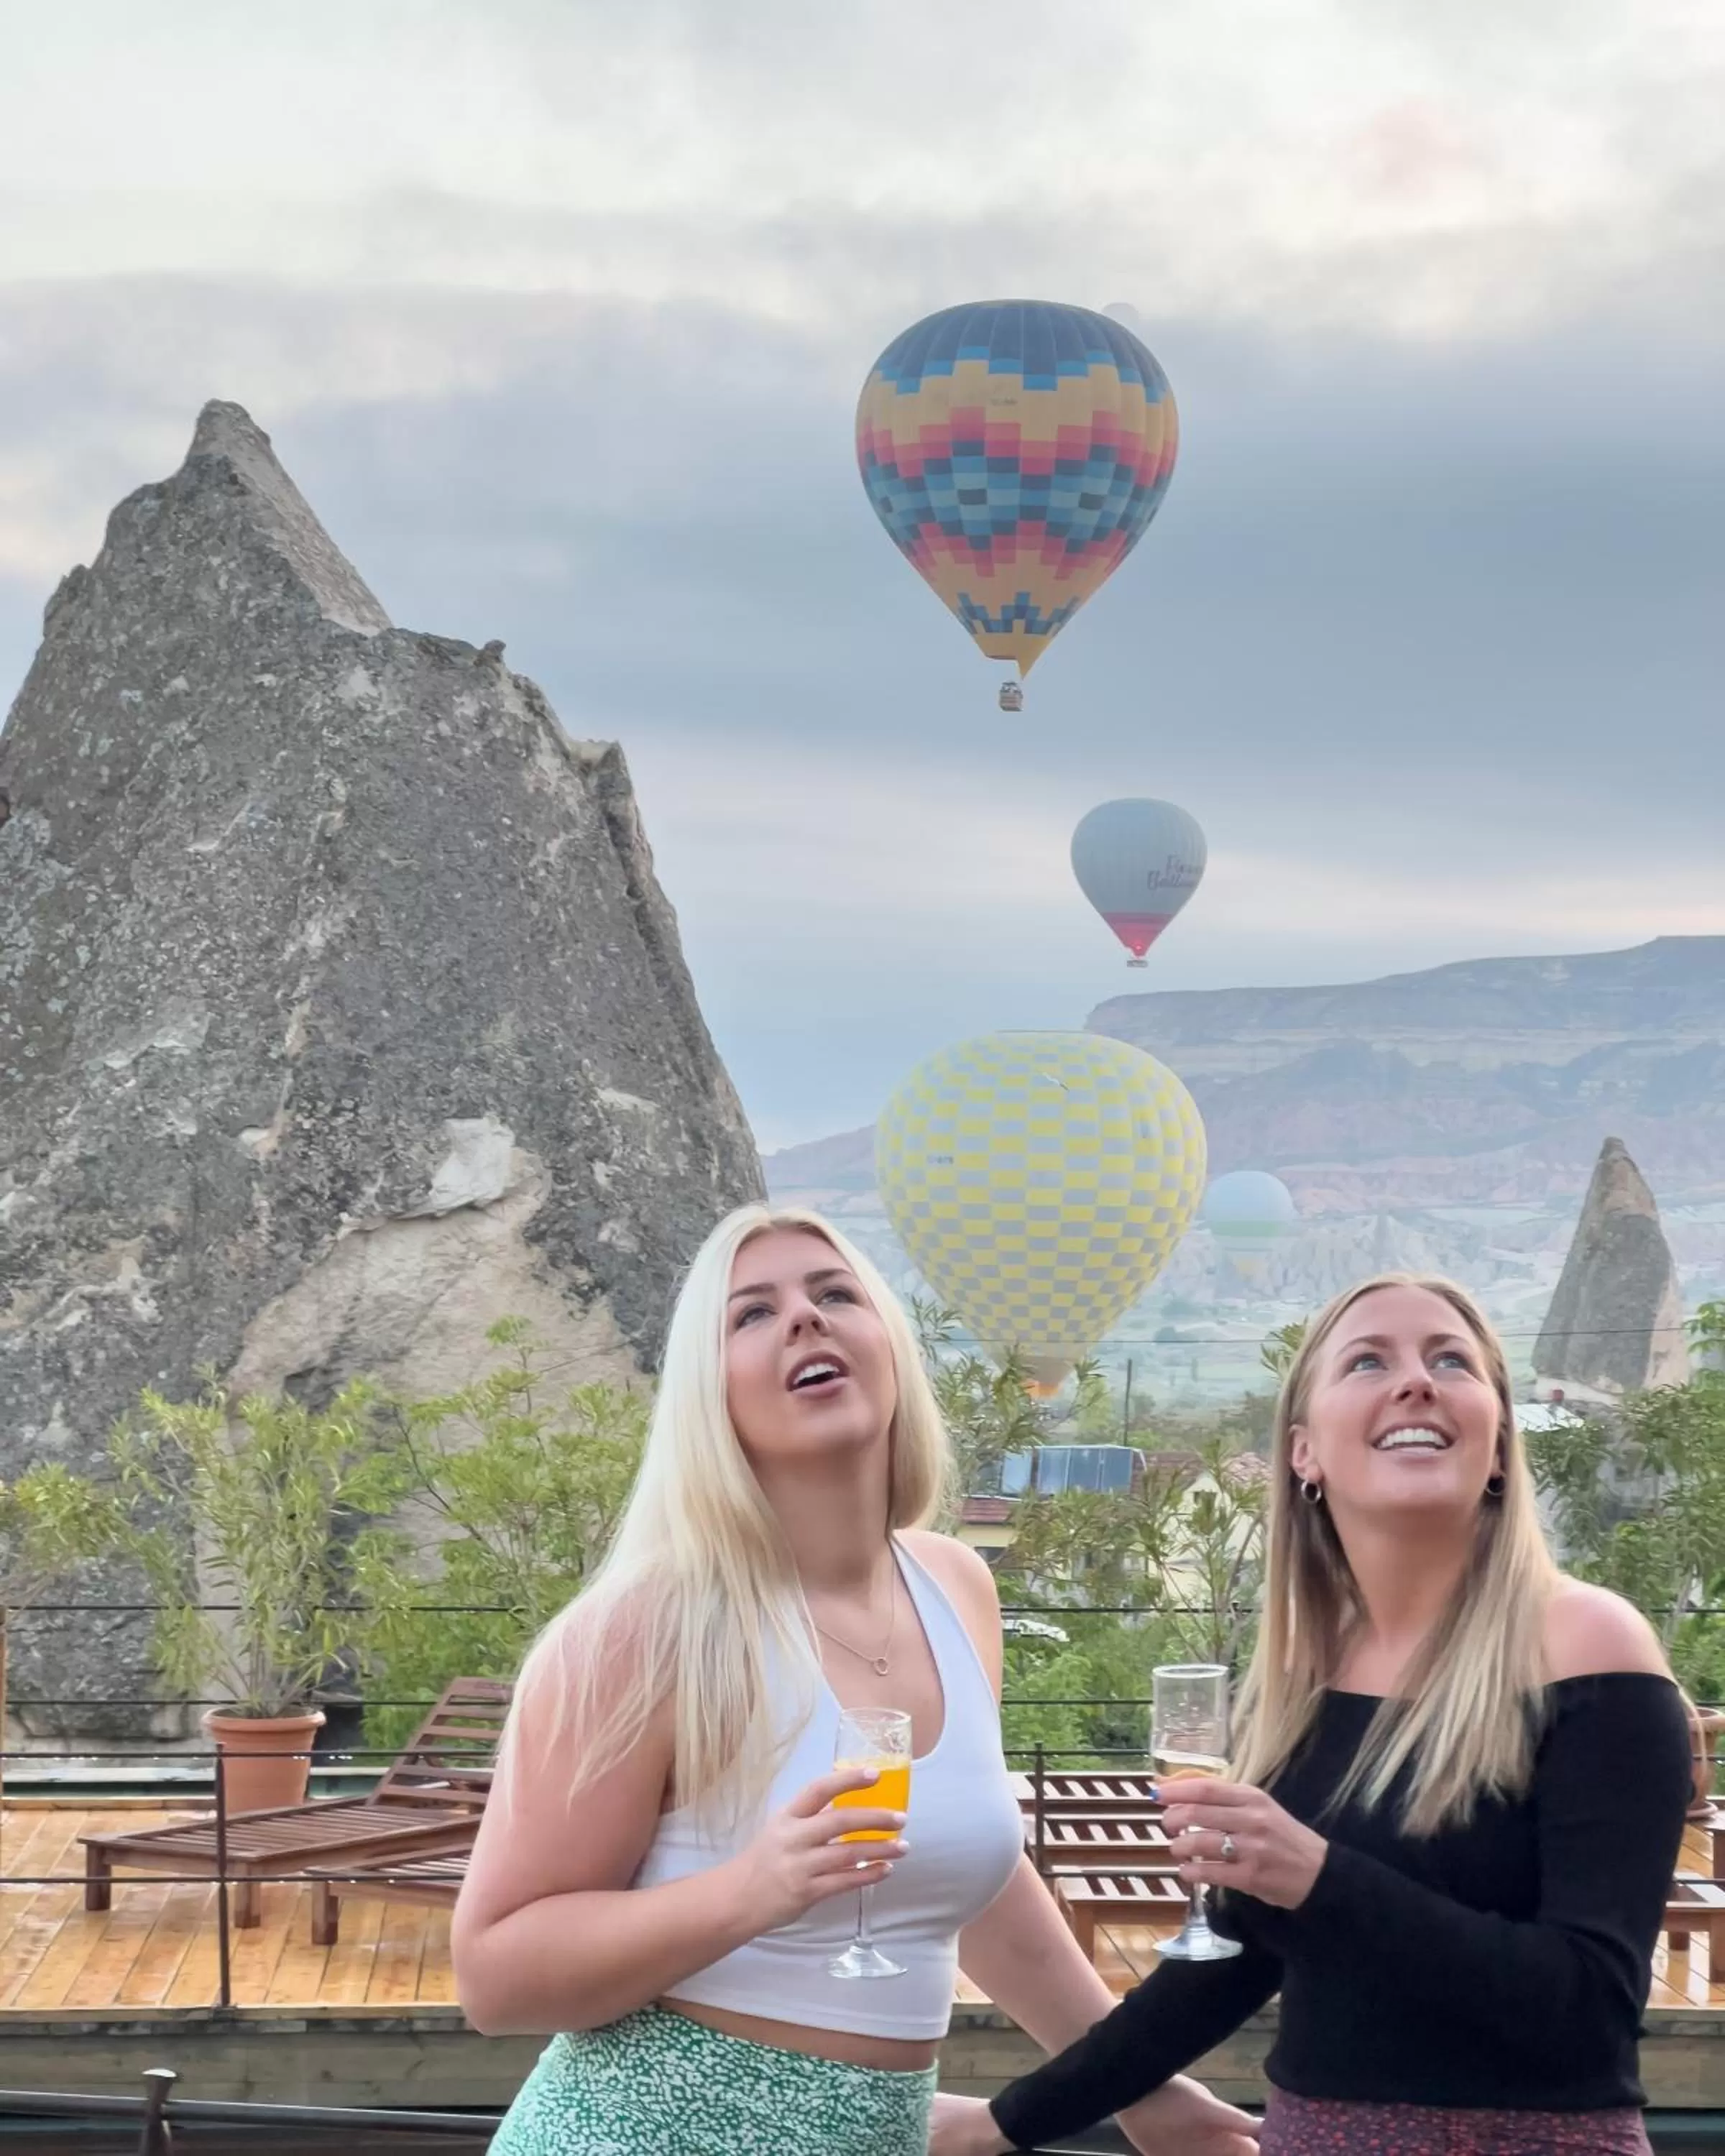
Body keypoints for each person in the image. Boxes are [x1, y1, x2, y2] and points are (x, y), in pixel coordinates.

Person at [453, 1202, 1257, 2156]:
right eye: (753, 1313)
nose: (804, 1316)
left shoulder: (956, 1588)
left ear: (891, 1347)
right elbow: (496, 1979)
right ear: (708, 1394)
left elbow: (975, 1879)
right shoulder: (644, 1632)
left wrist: (1136, 2087)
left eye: (835, 1293)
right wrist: (752, 1890)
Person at [932, 1271, 1693, 2156]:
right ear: (1304, 1453)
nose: (1417, 1381)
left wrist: (1317, 1878)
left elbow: (1590, 2010)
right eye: (1368, 1361)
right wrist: (1008, 2122)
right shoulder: (1303, 1677)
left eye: (1451, 1360)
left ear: (1497, 1447)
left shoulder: (1590, 1644)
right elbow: (1226, 1966)